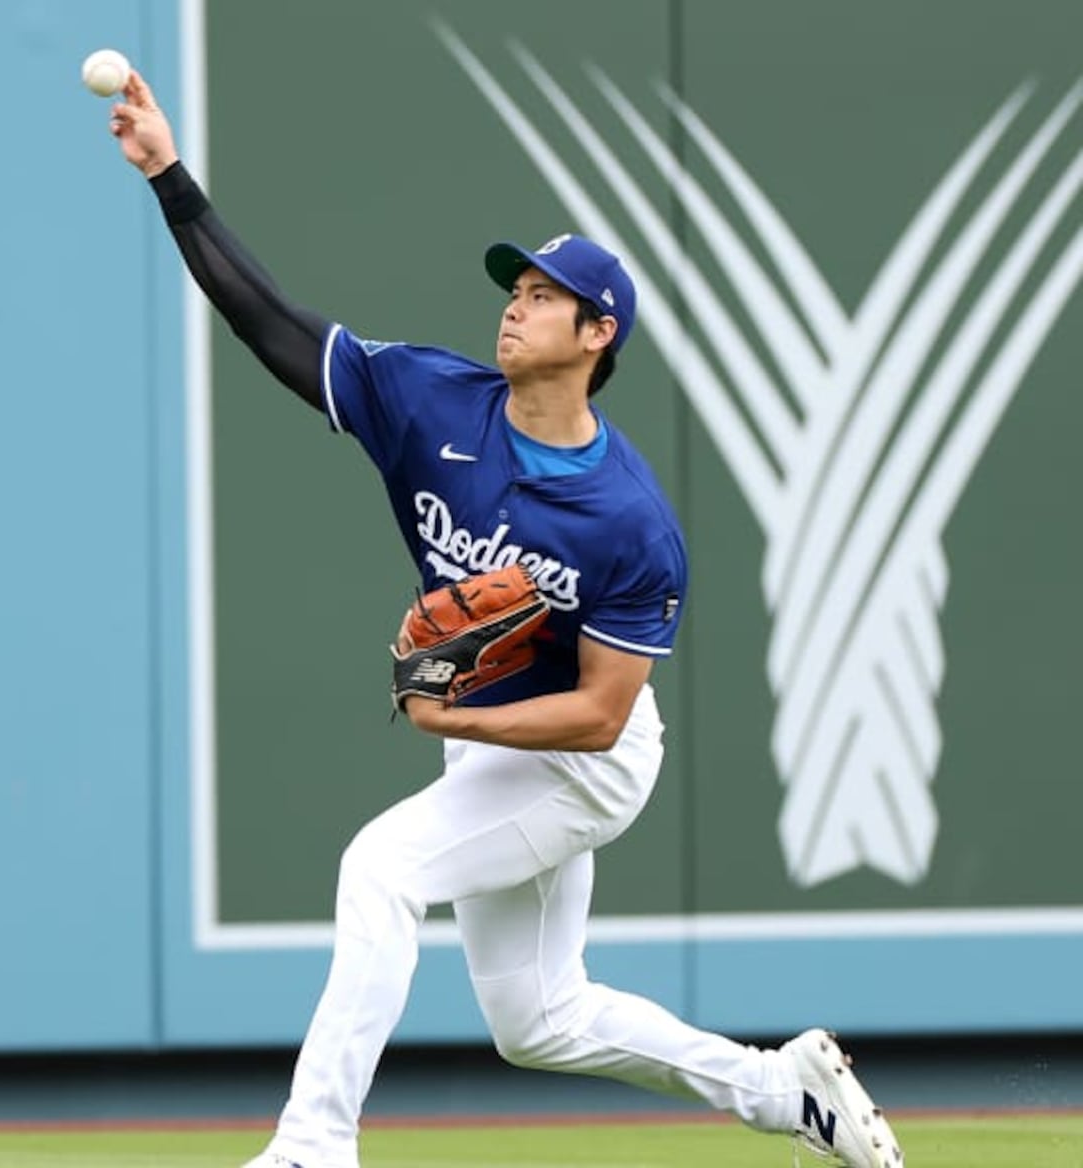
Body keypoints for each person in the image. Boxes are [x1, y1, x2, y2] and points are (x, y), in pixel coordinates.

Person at [106, 70, 904, 1168]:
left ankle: (312, 1145)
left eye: (542, 293)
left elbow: (598, 716)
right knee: (539, 1019)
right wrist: (168, 176)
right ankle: (784, 1089)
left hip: (586, 758)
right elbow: (270, 322)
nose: (515, 304)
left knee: (379, 870)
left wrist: (451, 725)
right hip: (504, 740)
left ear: (597, 331)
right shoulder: (432, 400)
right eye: (515, 286)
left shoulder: (631, 520)